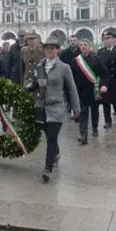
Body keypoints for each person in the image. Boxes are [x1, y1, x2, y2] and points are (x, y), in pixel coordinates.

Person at [28, 34, 80, 182]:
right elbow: (34, 84)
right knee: (48, 135)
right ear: (44, 50)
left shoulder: (64, 68)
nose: (50, 51)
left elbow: (71, 89)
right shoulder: (40, 66)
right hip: (42, 107)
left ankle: (48, 169)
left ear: (57, 50)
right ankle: (56, 153)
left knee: (51, 138)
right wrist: (21, 90)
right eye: (47, 48)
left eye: (53, 48)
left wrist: (76, 108)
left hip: (57, 107)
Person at [70, 38, 105, 144]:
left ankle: (94, 128)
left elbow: (104, 73)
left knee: (94, 111)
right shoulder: (75, 61)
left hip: (94, 91)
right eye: (81, 45)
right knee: (83, 113)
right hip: (81, 92)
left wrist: (104, 85)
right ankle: (83, 134)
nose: (83, 47)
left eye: (85, 44)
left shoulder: (97, 59)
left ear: (90, 46)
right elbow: (72, 77)